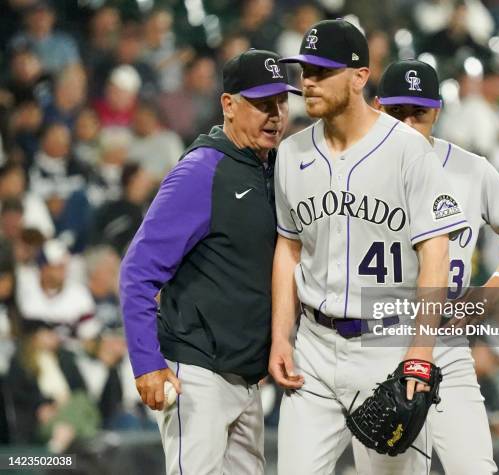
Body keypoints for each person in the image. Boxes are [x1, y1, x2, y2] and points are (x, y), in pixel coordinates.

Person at [271, 20, 469, 474]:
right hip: (314, 352)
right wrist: (282, 336)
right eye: (305, 71)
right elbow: (288, 248)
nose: (309, 82)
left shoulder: (407, 150)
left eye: (322, 72)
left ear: (360, 76)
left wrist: (421, 351)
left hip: (388, 346)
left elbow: (435, 254)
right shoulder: (292, 153)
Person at [119, 49, 300, 474]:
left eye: (281, 102)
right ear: (228, 104)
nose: (274, 115)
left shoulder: (273, 167)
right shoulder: (201, 172)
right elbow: (137, 273)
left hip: (246, 378)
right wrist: (147, 363)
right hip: (197, 373)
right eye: (261, 103)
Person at [362, 59, 499, 473]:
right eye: (397, 112)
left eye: (419, 113)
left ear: (437, 112)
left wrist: (493, 289)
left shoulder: (470, 169)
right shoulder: (354, 171)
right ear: (376, 107)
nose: (409, 123)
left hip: (446, 342)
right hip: (376, 343)